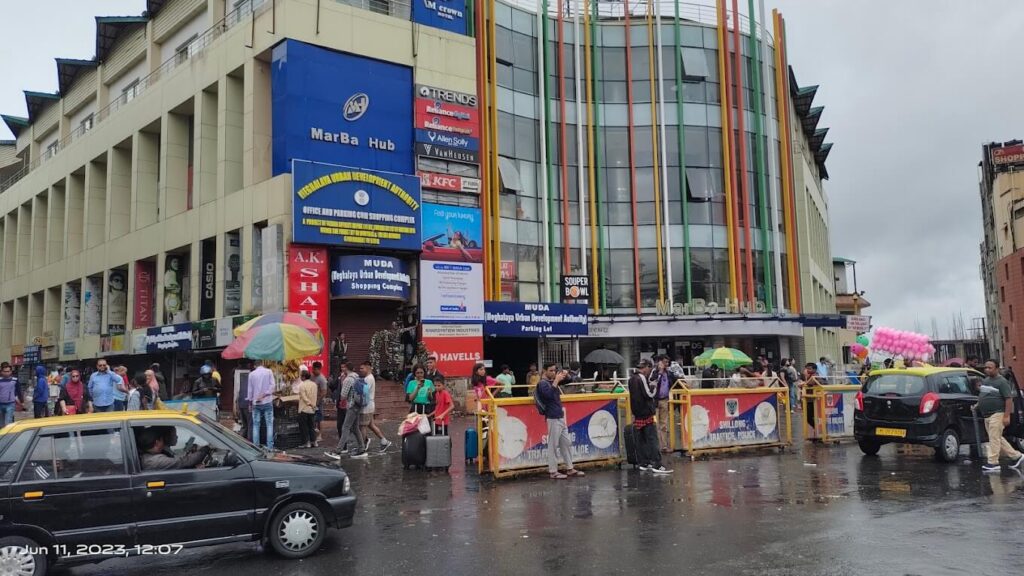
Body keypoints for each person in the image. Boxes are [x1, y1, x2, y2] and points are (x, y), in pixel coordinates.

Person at [536, 363, 585, 480]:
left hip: (560, 416)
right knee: (553, 445)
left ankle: (570, 468)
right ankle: (553, 471)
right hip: (552, 417)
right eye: (551, 370)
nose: (553, 373)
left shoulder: (553, 381)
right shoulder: (542, 384)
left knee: (566, 443)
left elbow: (568, 381)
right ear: (544, 371)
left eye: (554, 370)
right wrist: (556, 381)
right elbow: (548, 396)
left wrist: (565, 375)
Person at [978, 360, 1024, 473]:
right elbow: (984, 395)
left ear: (997, 369)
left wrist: (1006, 416)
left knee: (993, 438)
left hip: (997, 413)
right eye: (986, 367)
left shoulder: (1002, 382)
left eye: (990, 367)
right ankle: (1016, 456)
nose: (987, 369)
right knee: (997, 437)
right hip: (987, 415)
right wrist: (977, 405)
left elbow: (1009, 399)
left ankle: (993, 462)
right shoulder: (986, 381)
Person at [628, 359, 672, 474]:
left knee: (641, 439)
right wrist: (654, 386)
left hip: (637, 413)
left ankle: (644, 462)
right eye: (650, 369)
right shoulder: (641, 378)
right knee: (652, 439)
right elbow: (649, 394)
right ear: (646, 367)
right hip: (646, 413)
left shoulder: (631, 378)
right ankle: (657, 464)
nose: (649, 372)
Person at [326, 363, 366, 460]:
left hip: (351, 405)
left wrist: (341, 400)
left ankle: (338, 450)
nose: (342, 369)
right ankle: (362, 448)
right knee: (355, 427)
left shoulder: (348, 379)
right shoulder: (357, 376)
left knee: (345, 427)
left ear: (347, 369)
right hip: (358, 404)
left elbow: (343, 395)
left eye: (344, 368)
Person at [139, 426, 211, 470]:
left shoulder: (150, 455)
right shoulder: (155, 461)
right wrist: (205, 449)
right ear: (157, 443)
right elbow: (183, 462)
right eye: (162, 440)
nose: (164, 442)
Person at [358, 361, 391, 453]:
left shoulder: (368, 378)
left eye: (362, 368)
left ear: (368, 367)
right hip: (370, 404)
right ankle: (384, 441)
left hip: (367, 405)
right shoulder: (369, 378)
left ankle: (363, 445)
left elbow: (364, 393)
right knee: (371, 425)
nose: (360, 370)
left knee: (362, 426)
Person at [247, 361, 276, 450]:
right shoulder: (269, 372)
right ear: (262, 364)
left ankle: (256, 447)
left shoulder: (251, 374)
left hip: (256, 403)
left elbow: (250, 391)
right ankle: (270, 447)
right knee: (269, 424)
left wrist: (250, 403)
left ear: (255, 365)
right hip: (267, 402)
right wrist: (265, 394)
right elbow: (273, 386)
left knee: (256, 425)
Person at [654, 356, 672, 453]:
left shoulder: (668, 374)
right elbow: (652, 382)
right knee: (654, 424)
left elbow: (675, 380)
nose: (666, 364)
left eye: (667, 362)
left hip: (665, 400)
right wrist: (659, 373)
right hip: (655, 401)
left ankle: (664, 446)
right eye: (665, 362)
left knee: (664, 424)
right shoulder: (655, 373)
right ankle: (656, 446)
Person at [297, 370, 319, 449]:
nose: (300, 377)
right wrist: (313, 405)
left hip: (304, 408)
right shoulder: (314, 385)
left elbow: (304, 397)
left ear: (303, 377)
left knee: (304, 427)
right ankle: (314, 441)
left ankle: (307, 443)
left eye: (301, 376)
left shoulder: (302, 386)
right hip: (312, 409)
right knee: (311, 426)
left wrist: (309, 403)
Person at [310, 361, 329, 442]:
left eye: (314, 369)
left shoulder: (322, 379)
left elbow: (324, 392)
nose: (313, 370)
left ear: (318, 369)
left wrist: (318, 401)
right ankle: (314, 433)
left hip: (318, 401)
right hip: (312, 400)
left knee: (320, 418)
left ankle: (320, 435)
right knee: (313, 418)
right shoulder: (312, 376)